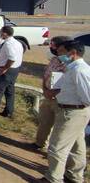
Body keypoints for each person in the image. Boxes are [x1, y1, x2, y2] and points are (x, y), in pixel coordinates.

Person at [35, 41, 90, 183]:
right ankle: (74, 176)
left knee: (57, 147)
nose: (60, 56)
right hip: (71, 111)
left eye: (62, 52)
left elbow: (88, 97)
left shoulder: (80, 70)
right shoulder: (71, 68)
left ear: (72, 53)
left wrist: (73, 106)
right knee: (77, 147)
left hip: (73, 112)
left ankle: (53, 178)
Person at [34, 36, 71, 150]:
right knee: (44, 121)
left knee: (60, 128)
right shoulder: (55, 59)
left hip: (61, 100)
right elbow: (46, 74)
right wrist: (45, 90)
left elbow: (68, 82)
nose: (51, 47)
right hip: (48, 95)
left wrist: (54, 93)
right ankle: (40, 143)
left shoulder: (70, 64)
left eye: (54, 45)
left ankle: (55, 150)